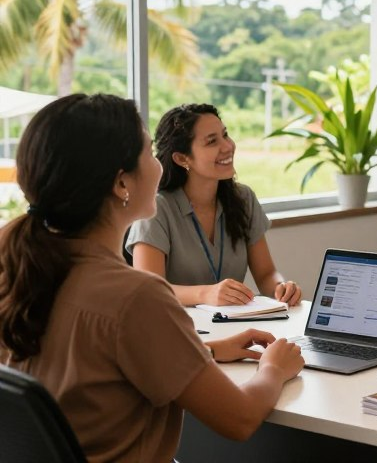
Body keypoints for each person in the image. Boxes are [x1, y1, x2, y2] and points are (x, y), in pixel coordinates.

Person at [0, 94, 305, 462]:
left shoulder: (21, 271)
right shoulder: (136, 297)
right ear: (121, 184)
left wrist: (205, 352)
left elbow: (99, 368)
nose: (159, 166)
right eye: (148, 153)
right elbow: (238, 419)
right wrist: (274, 368)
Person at [128, 103, 302, 307]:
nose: (228, 146)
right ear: (182, 158)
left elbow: (266, 274)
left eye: (225, 135)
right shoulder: (156, 208)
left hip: (234, 327)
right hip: (177, 328)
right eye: (212, 141)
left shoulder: (244, 199)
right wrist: (205, 294)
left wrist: (281, 287)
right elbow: (150, 290)